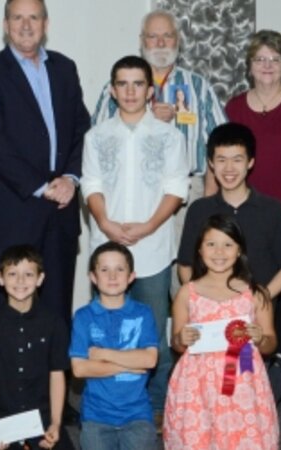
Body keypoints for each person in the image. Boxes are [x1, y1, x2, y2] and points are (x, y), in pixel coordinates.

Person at [0, 0, 91, 324]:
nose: (26, 25)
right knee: (11, 303)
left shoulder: (65, 68)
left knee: (58, 299)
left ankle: (57, 374)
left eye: (33, 17)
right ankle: (9, 374)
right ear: (6, 25)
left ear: (45, 24)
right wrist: (42, 187)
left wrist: (71, 179)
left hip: (63, 206)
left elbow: (82, 128)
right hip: (15, 208)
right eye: (18, 18)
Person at [81, 55, 188, 425]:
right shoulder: (96, 136)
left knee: (153, 335)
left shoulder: (169, 136)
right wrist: (106, 222)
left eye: (137, 84)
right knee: (107, 332)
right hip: (107, 248)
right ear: (112, 90)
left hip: (153, 247)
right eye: (122, 84)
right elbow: (91, 184)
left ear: (150, 89)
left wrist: (147, 226)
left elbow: (177, 188)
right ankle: (107, 406)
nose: (130, 91)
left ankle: (155, 407)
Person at [177, 122, 281, 407]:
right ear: (210, 163)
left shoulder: (273, 209)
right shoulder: (199, 210)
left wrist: (257, 301)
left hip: (255, 313)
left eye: (237, 159)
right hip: (211, 316)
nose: (229, 168)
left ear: (251, 162)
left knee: (247, 392)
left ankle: (275, 374)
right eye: (221, 160)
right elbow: (185, 264)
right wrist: (201, 304)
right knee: (211, 392)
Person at [224, 30, 281, 390]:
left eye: (274, 60)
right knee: (242, 301)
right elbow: (222, 163)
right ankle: (245, 379)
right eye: (260, 59)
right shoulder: (234, 107)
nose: (267, 66)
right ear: (249, 65)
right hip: (242, 219)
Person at [165, 214, 278, 449]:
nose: (219, 252)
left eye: (228, 245)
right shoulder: (187, 293)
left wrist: (260, 338)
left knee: (243, 435)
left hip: (243, 380)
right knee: (199, 436)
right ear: (199, 250)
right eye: (211, 244)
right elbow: (177, 344)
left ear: (239, 251)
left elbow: (271, 342)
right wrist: (180, 338)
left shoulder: (255, 293)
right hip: (197, 382)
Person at [92, 9, 226, 203]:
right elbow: (98, 142)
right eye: (153, 36)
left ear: (178, 39)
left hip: (188, 193)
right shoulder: (116, 86)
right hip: (131, 193)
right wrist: (142, 119)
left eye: (167, 36)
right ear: (142, 41)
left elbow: (221, 143)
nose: (161, 44)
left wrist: (209, 200)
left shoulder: (199, 86)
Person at [0, 245, 73, 450]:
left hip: (42, 418)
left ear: (40, 279)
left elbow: (57, 375)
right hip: (2, 419)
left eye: (28, 274)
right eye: (12, 274)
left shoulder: (55, 323)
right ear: (0, 278)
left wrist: (55, 423)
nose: (20, 281)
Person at [70, 242, 159, 450]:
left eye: (119, 269)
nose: (112, 276)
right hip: (96, 416)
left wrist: (101, 354)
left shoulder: (143, 313)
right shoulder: (83, 317)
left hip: (137, 414)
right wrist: (130, 364)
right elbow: (80, 368)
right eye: (104, 270)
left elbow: (149, 360)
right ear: (93, 277)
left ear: (131, 277)